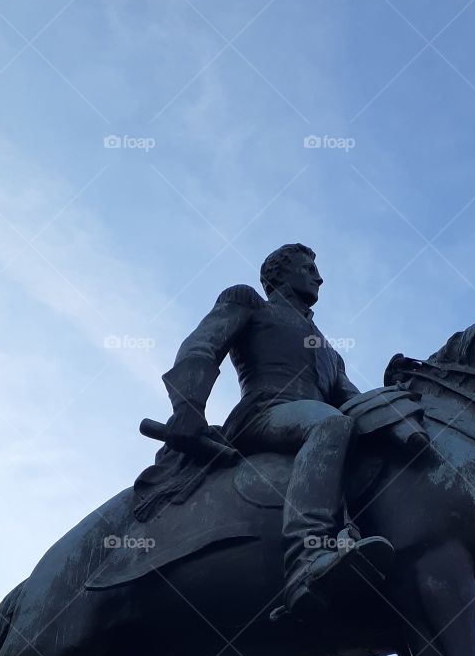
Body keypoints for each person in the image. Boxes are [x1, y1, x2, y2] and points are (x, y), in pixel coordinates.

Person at [161, 243, 393, 615]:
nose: (319, 276)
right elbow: (200, 346)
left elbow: (353, 401)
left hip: (312, 416)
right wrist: (188, 407)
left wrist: (395, 401)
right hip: (263, 414)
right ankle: (308, 555)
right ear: (279, 274)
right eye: (307, 268)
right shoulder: (250, 302)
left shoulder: (330, 352)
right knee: (332, 423)